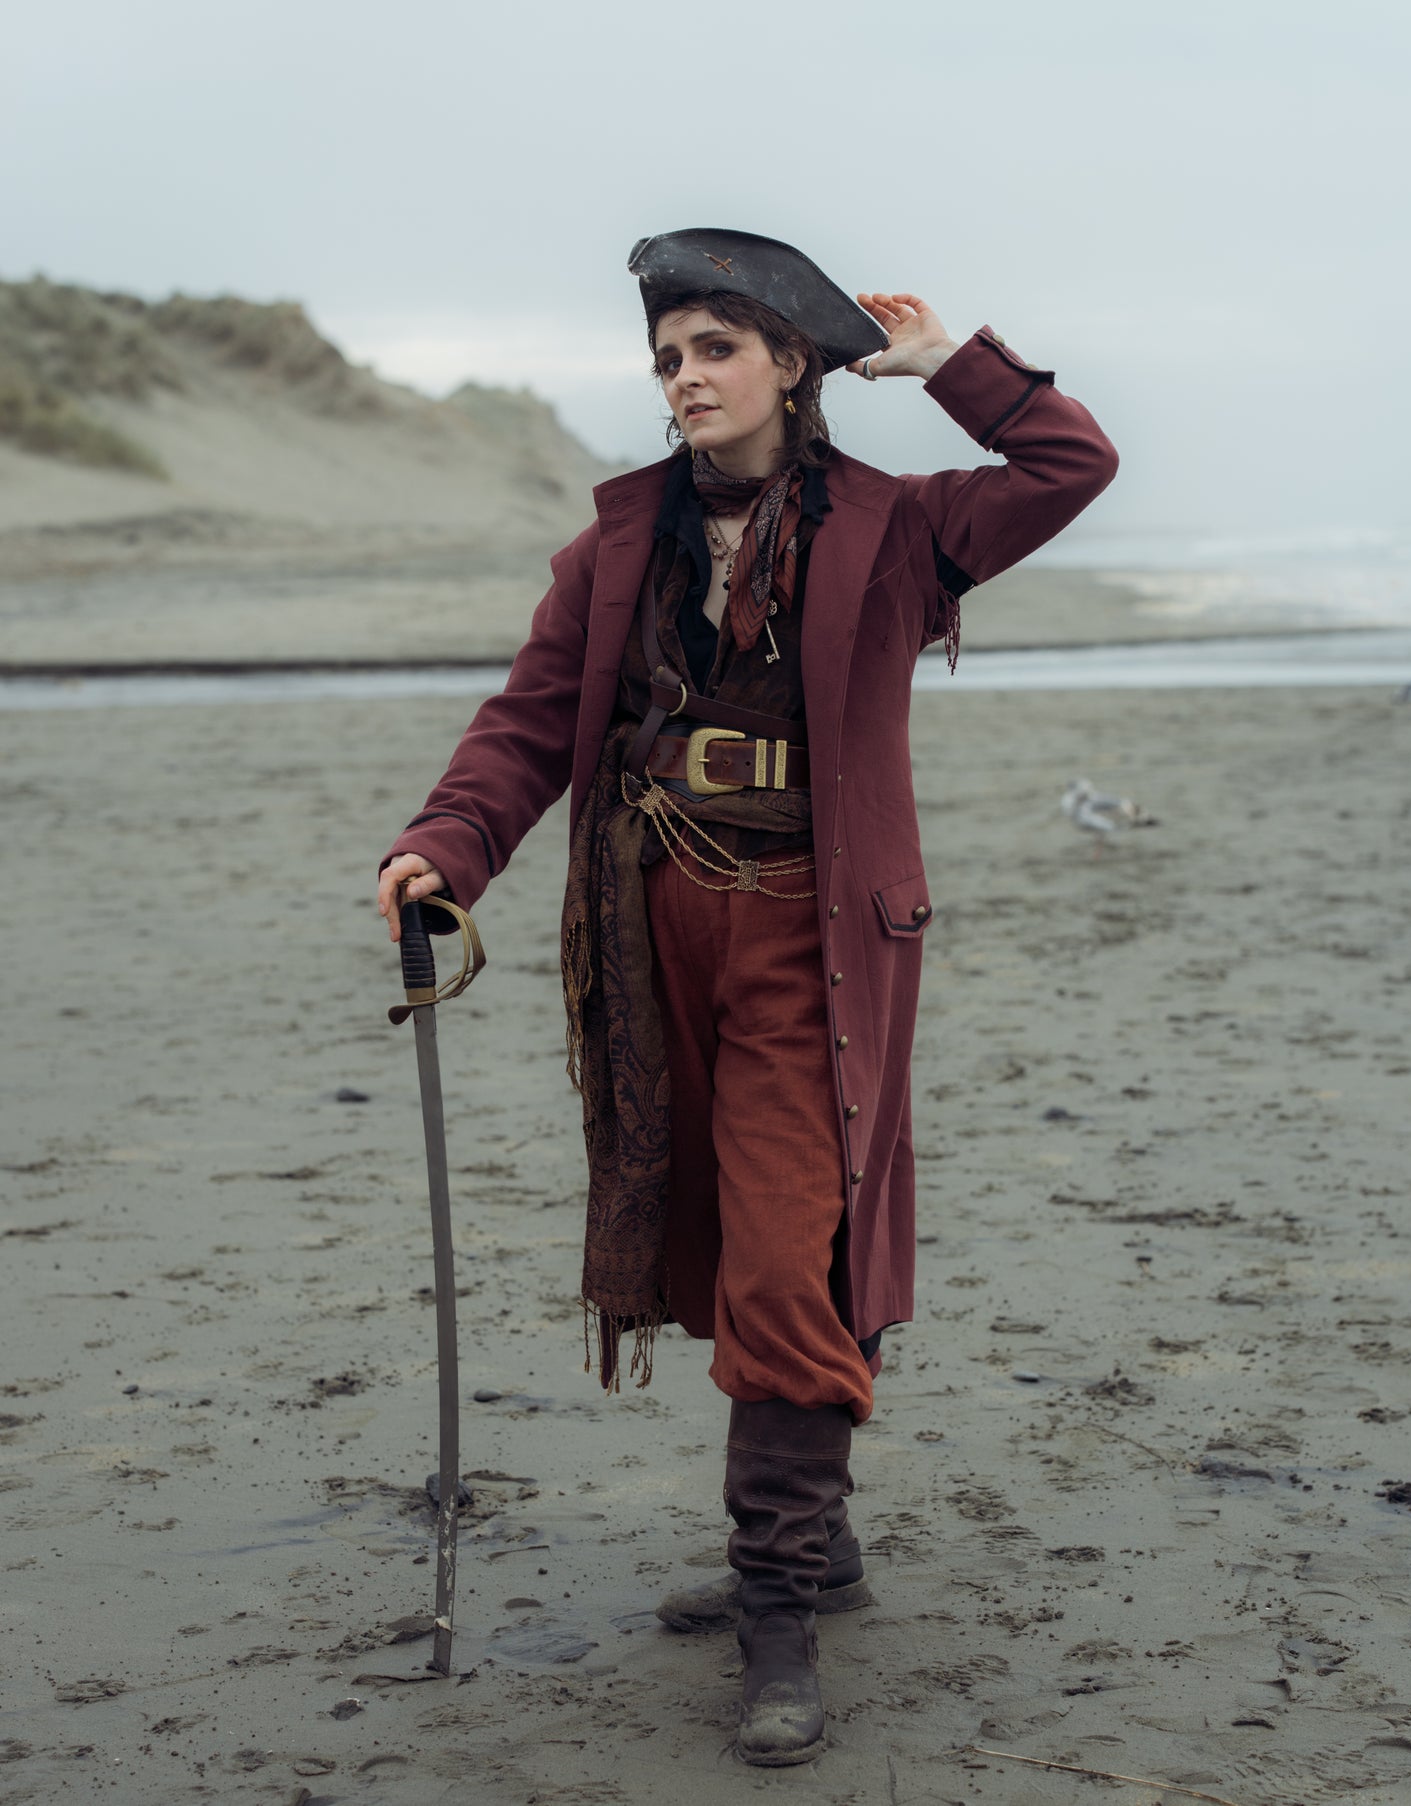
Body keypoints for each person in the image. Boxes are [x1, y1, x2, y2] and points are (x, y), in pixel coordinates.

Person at [377, 228, 1118, 1766]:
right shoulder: (614, 546)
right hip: (652, 933)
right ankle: (820, 1543)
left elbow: (1068, 461)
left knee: (787, 1249)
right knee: (722, 1240)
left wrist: (943, 369)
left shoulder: (898, 529)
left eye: (716, 346)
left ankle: (776, 1603)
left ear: (791, 363)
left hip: (813, 934)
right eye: (666, 357)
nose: (685, 377)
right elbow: (524, 727)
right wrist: (441, 847)